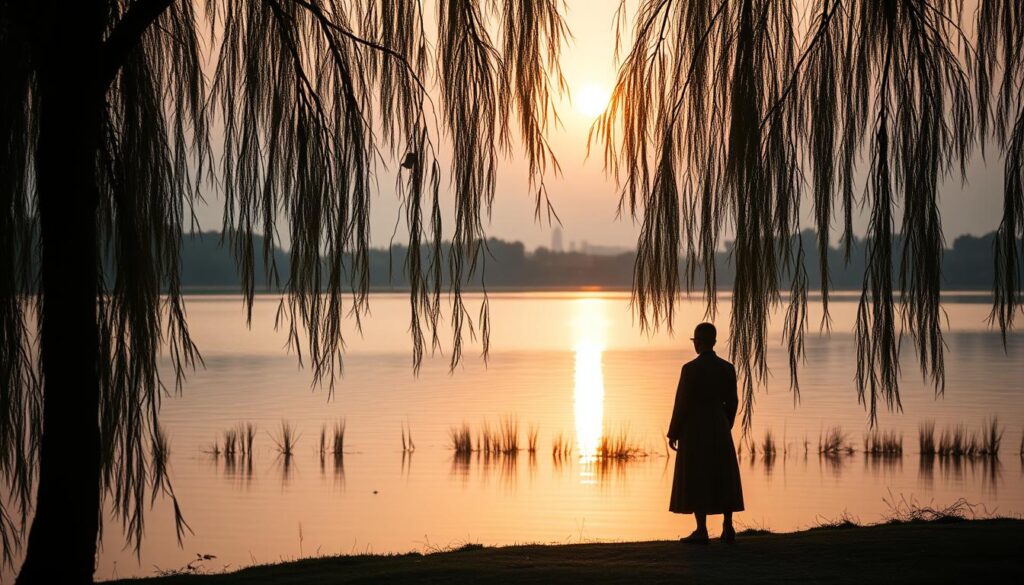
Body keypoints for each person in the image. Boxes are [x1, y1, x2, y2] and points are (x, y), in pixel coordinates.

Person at [667, 322, 744, 544]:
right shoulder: (727, 368)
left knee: (697, 474)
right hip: (719, 424)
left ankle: (701, 530)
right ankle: (728, 527)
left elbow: (682, 403)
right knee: (723, 473)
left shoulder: (690, 369)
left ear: (698, 343)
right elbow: (733, 401)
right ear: (714, 342)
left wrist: (674, 431)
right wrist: (725, 422)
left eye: (695, 341)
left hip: (694, 427)